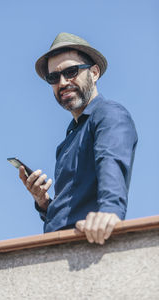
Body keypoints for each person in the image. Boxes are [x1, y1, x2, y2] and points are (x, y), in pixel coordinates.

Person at [19, 32, 138, 245]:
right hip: (57, 250)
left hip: (88, 247)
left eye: (71, 71)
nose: (63, 82)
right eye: (53, 77)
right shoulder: (66, 142)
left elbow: (111, 161)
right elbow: (69, 209)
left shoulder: (108, 114)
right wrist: (45, 203)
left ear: (94, 73)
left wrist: (110, 212)